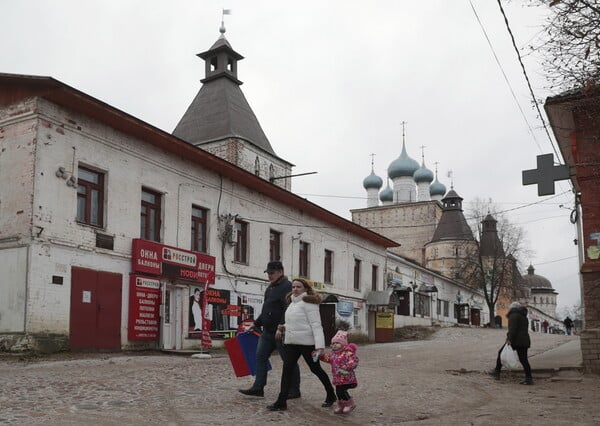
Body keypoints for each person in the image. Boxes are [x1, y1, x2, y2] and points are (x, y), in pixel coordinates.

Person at [266, 278, 336, 411]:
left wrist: (320, 346)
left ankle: (331, 394)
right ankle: (281, 401)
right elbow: (296, 322)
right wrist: (283, 327)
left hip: (307, 343)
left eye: (298, 287)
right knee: (287, 370)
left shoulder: (309, 303)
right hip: (292, 342)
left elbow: (316, 325)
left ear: (305, 288)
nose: (295, 289)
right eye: (293, 287)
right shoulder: (292, 303)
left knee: (315, 369)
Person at [239, 261, 300, 398]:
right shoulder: (270, 288)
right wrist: (256, 323)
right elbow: (266, 310)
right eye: (268, 273)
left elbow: (288, 310)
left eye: (272, 273)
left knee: (289, 361)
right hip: (267, 332)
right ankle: (258, 387)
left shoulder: (288, 287)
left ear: (280, 272)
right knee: (260, 357)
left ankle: (294, 389)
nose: (269, 276)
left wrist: (281, 326)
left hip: (281, 333)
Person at [490, 301, 533, 385]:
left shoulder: (514, 315)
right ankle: (529, 378)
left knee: (501, 352)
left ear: (512, 308)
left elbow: (512, 329)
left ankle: (497, 372)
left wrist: (509, 339)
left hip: (516, 340)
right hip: (524, 340)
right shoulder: (523, 316)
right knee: (524, 360)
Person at [320, 330, 359, 414]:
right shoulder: (332, 354)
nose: (334, 345)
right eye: (333, 343)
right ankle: (341, 406)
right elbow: (327, 358)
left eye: (337, 343)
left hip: (347, 377)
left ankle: (350, 404)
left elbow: (355, 360)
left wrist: (347, 366)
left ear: (343, 344)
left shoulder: (348, 352)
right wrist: (320, 356)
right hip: (337, 378)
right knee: (338, 392)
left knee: (342, 391)